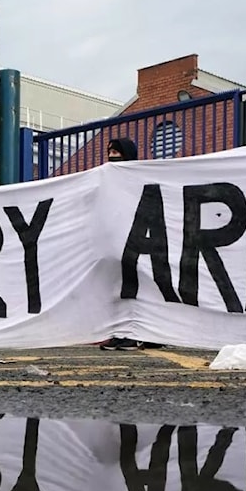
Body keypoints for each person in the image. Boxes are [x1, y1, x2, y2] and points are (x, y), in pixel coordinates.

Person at [99, 137, 165, 352]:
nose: (112, 155)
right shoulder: (106, 177)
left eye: (117, 151)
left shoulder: (139, 176)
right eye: (110, 151)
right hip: (120, 240)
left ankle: (133, 334)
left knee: (137, 288)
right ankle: (125, 333)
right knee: (120, 287)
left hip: (140, 240)